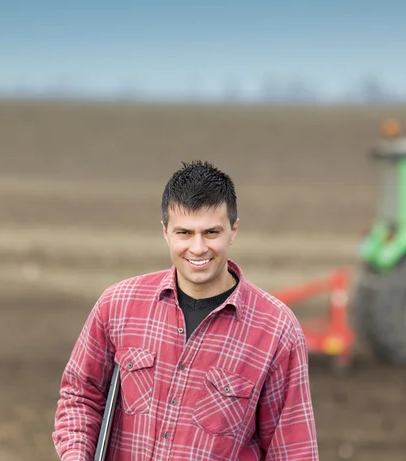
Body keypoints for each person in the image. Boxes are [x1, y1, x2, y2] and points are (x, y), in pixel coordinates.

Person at [52, 160, 319, 461]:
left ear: (234, 231)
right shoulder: (118, 305)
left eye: (211, 232)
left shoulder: (276, 330)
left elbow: (292, 450)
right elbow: (80, 397)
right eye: (185, 233)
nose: (198, 248)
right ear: (165, 232)